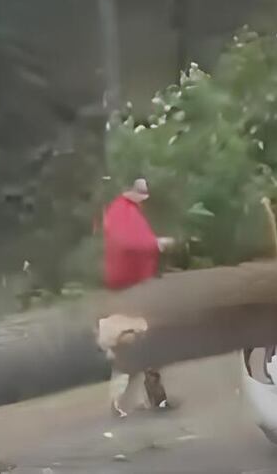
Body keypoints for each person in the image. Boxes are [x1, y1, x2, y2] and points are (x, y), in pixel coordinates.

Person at [101, 178, 174, 417]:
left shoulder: (128, 211)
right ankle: (124, 401)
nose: (144, 199)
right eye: (141, 194)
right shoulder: (121, 212)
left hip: (136, 287)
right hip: (128, 289)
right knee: (133, 341)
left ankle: (155, 398)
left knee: (144, 341)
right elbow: (128, 243)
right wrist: (156, 244)